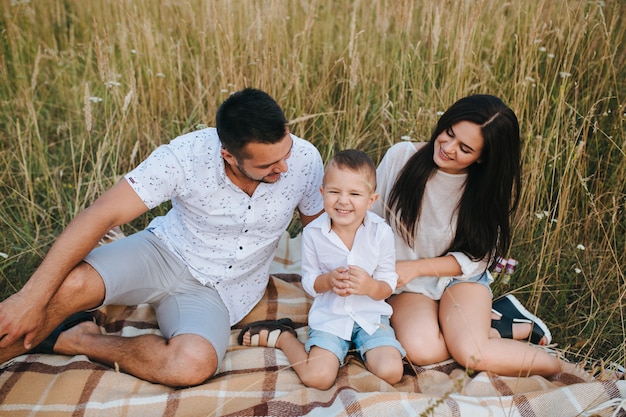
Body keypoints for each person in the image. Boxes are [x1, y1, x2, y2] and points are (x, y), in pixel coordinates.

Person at [0, 88, 325, 387]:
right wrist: (29, 298)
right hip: (163, 252)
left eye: (286, 152)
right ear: (229, 156)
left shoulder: (305, 161)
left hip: (221, 293)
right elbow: (102, 215)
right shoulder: (185, 156)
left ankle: (78, 339)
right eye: (268, 164)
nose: (283, 167)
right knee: (69, 286)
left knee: (190, 364)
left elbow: (318, 233)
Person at [371, 94, 576, 377]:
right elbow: (370, 219)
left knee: (472, 354)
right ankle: (496, 326)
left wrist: (415, 267)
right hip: (411, 286)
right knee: (422, 351)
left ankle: (572, 370)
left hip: (459, 278)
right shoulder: (401, 157)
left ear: (482, 158)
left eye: (465, 148)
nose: (448, 148)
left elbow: (480, 255)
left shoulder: (482, 190)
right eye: (449, 133)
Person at [239, 149, 405, 390]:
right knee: (317, 378)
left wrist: (371, 286)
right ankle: (285, 338)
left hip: (370, 316)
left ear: (371, 200)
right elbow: (309, 279)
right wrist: (326, 281)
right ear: (322, 193)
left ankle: (364, 349)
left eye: (355, 194)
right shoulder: (314, 233)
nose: (343, 201)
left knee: (391, 372)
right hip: (331, 316)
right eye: (334, 192)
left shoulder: (381, 233)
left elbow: (388, 280)